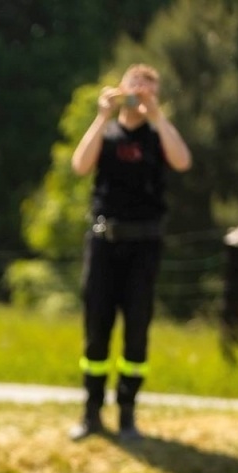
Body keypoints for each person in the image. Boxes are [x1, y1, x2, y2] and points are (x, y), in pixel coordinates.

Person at [68, 63, 192, 443]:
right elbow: (79, 165)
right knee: (96, 332)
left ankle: (127, 414)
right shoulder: (106, 133)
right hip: (104, 242)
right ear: (121, 89)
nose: (139, 93)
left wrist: (157, 115)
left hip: (144, 246)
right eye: (134, 86)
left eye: (148, 88)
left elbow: (183, 161)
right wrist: (102, 114)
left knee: (137, 331)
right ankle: (91, 414)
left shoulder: (159, 136)